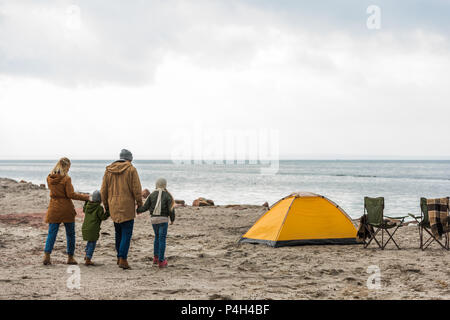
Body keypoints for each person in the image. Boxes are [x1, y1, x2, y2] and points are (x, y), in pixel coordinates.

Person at [43, 157, 90, 265]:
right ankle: (70, 257)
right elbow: (70, 195)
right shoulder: (66, 179)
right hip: (65, 208)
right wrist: (85, 197)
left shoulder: (49, 178)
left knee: (52, 233)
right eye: (69, 167)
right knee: (70, 234)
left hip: (53, 208)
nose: (69, 169)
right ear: (66, 167)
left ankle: (47, 255)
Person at [101, 149, 143, 269]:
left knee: (118, 232)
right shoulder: (131, 169)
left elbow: (103, 190)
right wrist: (139, 203)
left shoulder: (109, 170)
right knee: (126, 232)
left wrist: (106, 205)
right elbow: (136, 189)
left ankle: (119, 257)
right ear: (129, 159)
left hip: (113, 205)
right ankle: (123, 258)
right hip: (127, 205)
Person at [137, 178, 175, 268]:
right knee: (162, 239)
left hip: (154, 220)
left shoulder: (152, 194)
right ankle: (161, 261)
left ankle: (156, 258)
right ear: (165, 185)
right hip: (163, 220)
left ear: (156, 184)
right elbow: (171, 209)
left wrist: (138, 210)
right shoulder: (168, 195)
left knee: (157, 237)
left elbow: (145, 206)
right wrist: (172, 219)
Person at [81, 190, 110, 266]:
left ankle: (86, 255)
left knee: (89, 242)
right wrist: (108, 212)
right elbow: (102, 217)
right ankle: (88, 258)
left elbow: (84, 209)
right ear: (100, 199)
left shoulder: (88, 206)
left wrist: (86, 201)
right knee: (92, 243)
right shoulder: (99, 208)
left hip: (85, 228)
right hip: (93, 229)